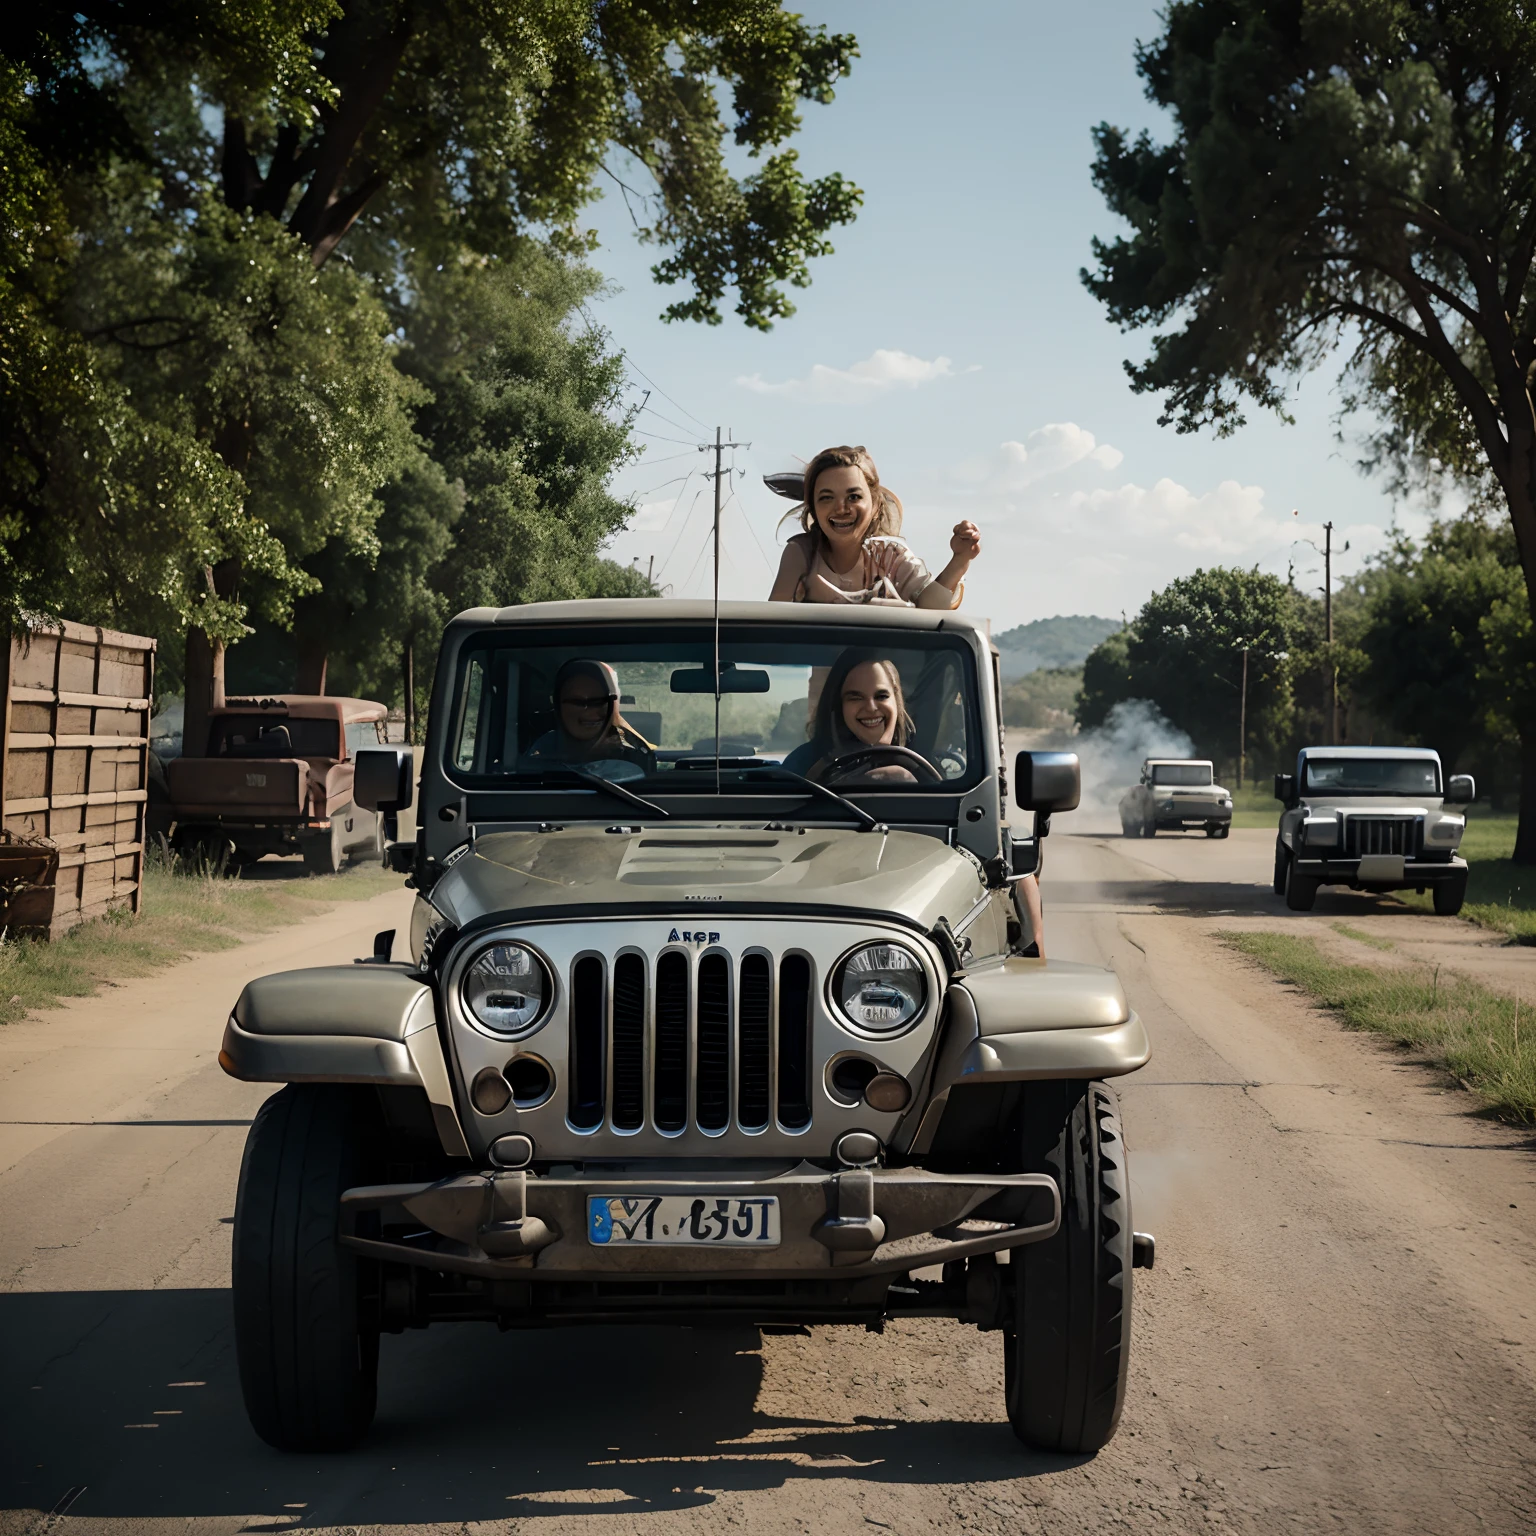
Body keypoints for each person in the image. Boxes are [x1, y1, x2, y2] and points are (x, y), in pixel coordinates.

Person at [767, 445, 980, 608]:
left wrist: (960, 560)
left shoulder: (891, 556)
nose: (841, 508)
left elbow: (930, 606)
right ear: (813, 508)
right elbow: (774, 622)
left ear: (875, 504)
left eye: (853, 496)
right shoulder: (802, 554)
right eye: (826, 498)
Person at [783, 652, 927, 783]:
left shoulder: (923, 761)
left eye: (881, 696)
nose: (871, 707)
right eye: (856, 698)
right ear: (838, 706)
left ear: (896, 702)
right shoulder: (802, 763)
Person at [521, 659, 654, 779]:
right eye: (577, 701)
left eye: (600, 701)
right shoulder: (542, 750)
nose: (590, 711)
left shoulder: (636, 757)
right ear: (557, 706)